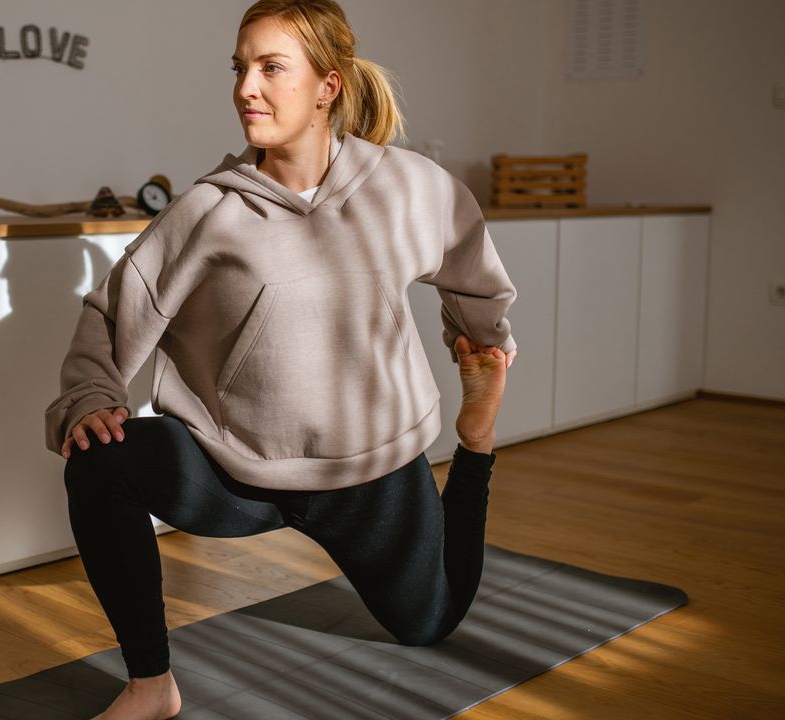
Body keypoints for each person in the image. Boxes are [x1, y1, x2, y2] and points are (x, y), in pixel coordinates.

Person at [42, 1, 518, 718]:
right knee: (99, 457)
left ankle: (477, 443)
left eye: (270, 68)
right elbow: (111, 311)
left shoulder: (405, 188)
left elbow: (472, 265)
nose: (245, 88)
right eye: (239, 68)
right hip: (240, 472)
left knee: (432, 623)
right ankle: (151, 685)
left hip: (372, 474)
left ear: (328, 85)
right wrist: (91, 394)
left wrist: (483, 338)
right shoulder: (210, 211)